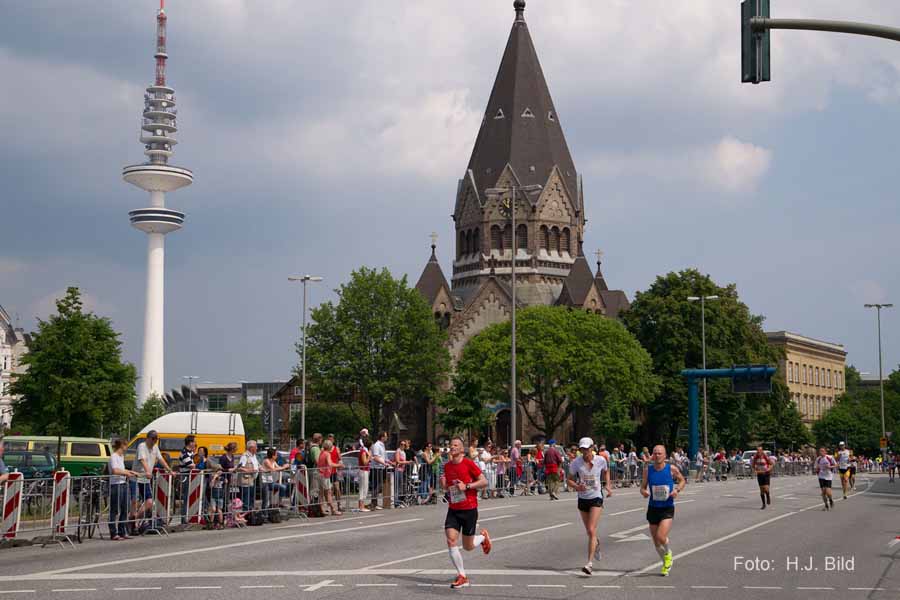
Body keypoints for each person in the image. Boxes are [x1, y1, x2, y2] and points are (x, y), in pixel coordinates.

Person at [441, 436, 492, 589]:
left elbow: (484, 482)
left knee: (468, 547)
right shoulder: (447, 466)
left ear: (462, 449)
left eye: (455, 445)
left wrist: (468, 486)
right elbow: (448, 487)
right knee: (451, 540)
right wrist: (443, 485)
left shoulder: (468, 463)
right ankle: (462, 576)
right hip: (454, 509)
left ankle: (483, 538)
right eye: (451, 444)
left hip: (469, 509)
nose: (452, 447)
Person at [567, 437, 610, 575]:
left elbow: (606, 471)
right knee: (589, 532)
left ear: (593, 448)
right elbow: (569, 480)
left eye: (587, 448)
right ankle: (596, 543)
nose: (585, 451)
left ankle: (589, 564)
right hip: (582, 498)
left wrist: (608, 485)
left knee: (591, 529)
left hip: (596, 497)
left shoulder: (600, 460)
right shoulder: (576, 463)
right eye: (582, 449)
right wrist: (577, 486)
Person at [641, 445, 685, 577]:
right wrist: (644, 492)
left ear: (665, 456)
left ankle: (668, 553)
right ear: (652, 456)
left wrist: (677, 490)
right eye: (655, 453)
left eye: (660, 453)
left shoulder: (671, 468)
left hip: (667, 507)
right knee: (655, 542)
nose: (657, 455)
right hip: (653, 507)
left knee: (661, 537)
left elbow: (682, 480)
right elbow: (642, 487)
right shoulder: (648, 470)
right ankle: (665, 561)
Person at [130, 430, 173, 533]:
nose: (154, 441)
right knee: (135, 501)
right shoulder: (142, 446)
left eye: (156, 439)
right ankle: (132, 522)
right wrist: (148, 471)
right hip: (137, 477)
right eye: (153, 439)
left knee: (149, 502)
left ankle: (135, 519)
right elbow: (142, 460)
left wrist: (169, 470)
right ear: (148, 438)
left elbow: (161, 459)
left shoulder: (155, 447)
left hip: (145, 480)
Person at [108, 439, 138, 540]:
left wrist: (131, 472)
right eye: (125, 445)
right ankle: (113, 533)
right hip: (116, 485)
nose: (126, 447)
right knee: (115, 509)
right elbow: (115, 470)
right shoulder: (114, 457)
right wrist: (127, 473)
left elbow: (122, 469)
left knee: (125, 508)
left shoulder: (121, 457)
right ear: (121, 446)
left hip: (123, 483)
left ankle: (122, 531)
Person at [317, 439, 342, 515]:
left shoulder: (321, 453)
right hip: (325, 475)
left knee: (321, 494)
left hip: (319, 474)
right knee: (328, 493)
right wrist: (339, 465)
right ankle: (333, 510)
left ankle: (321, 510)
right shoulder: (327, 454)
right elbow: (330, 464)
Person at [237, 440, 260, 514]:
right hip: (245, 481)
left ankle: (250, 515)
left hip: (252, 480)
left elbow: (258, 466)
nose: (257, 448)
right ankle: (245, 516)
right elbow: (240, 468)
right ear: (251, 448)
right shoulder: (244, 456)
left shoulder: (254, 456)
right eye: (256, 447)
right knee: (246, 500)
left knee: (251, 499)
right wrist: (250, 470)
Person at [179, 434, 197, 524]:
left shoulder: (191, 453)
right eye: (194, 442)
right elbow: (191, 465)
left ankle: (189, 517)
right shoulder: (184, 452)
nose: (195, 443)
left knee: (190, 497)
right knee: (186, 497)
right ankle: (183, 518)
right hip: (185, 476)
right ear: (190, 443)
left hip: (191, 476)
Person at [370, 431, 388, 509]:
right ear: (382, 437)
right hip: (376, 468)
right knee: (377, 486)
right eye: (386, 436)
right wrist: (384, 464)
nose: (387, 437)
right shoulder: (376, 445)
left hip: (381, 468)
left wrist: (390, 462)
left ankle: (375, 503)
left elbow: (384, 458)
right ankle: (373, 503)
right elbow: (376, 457)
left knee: (380, 485)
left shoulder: (382, 445)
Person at [357, 429, 371, 512]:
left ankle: (361, 506)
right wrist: (369, 457)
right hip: (363, 471)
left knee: (364, 488)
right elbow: (365, 462)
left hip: (365, 471)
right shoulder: (363, 451)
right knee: (363, 488)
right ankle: (361, 506)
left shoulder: (364, 451)